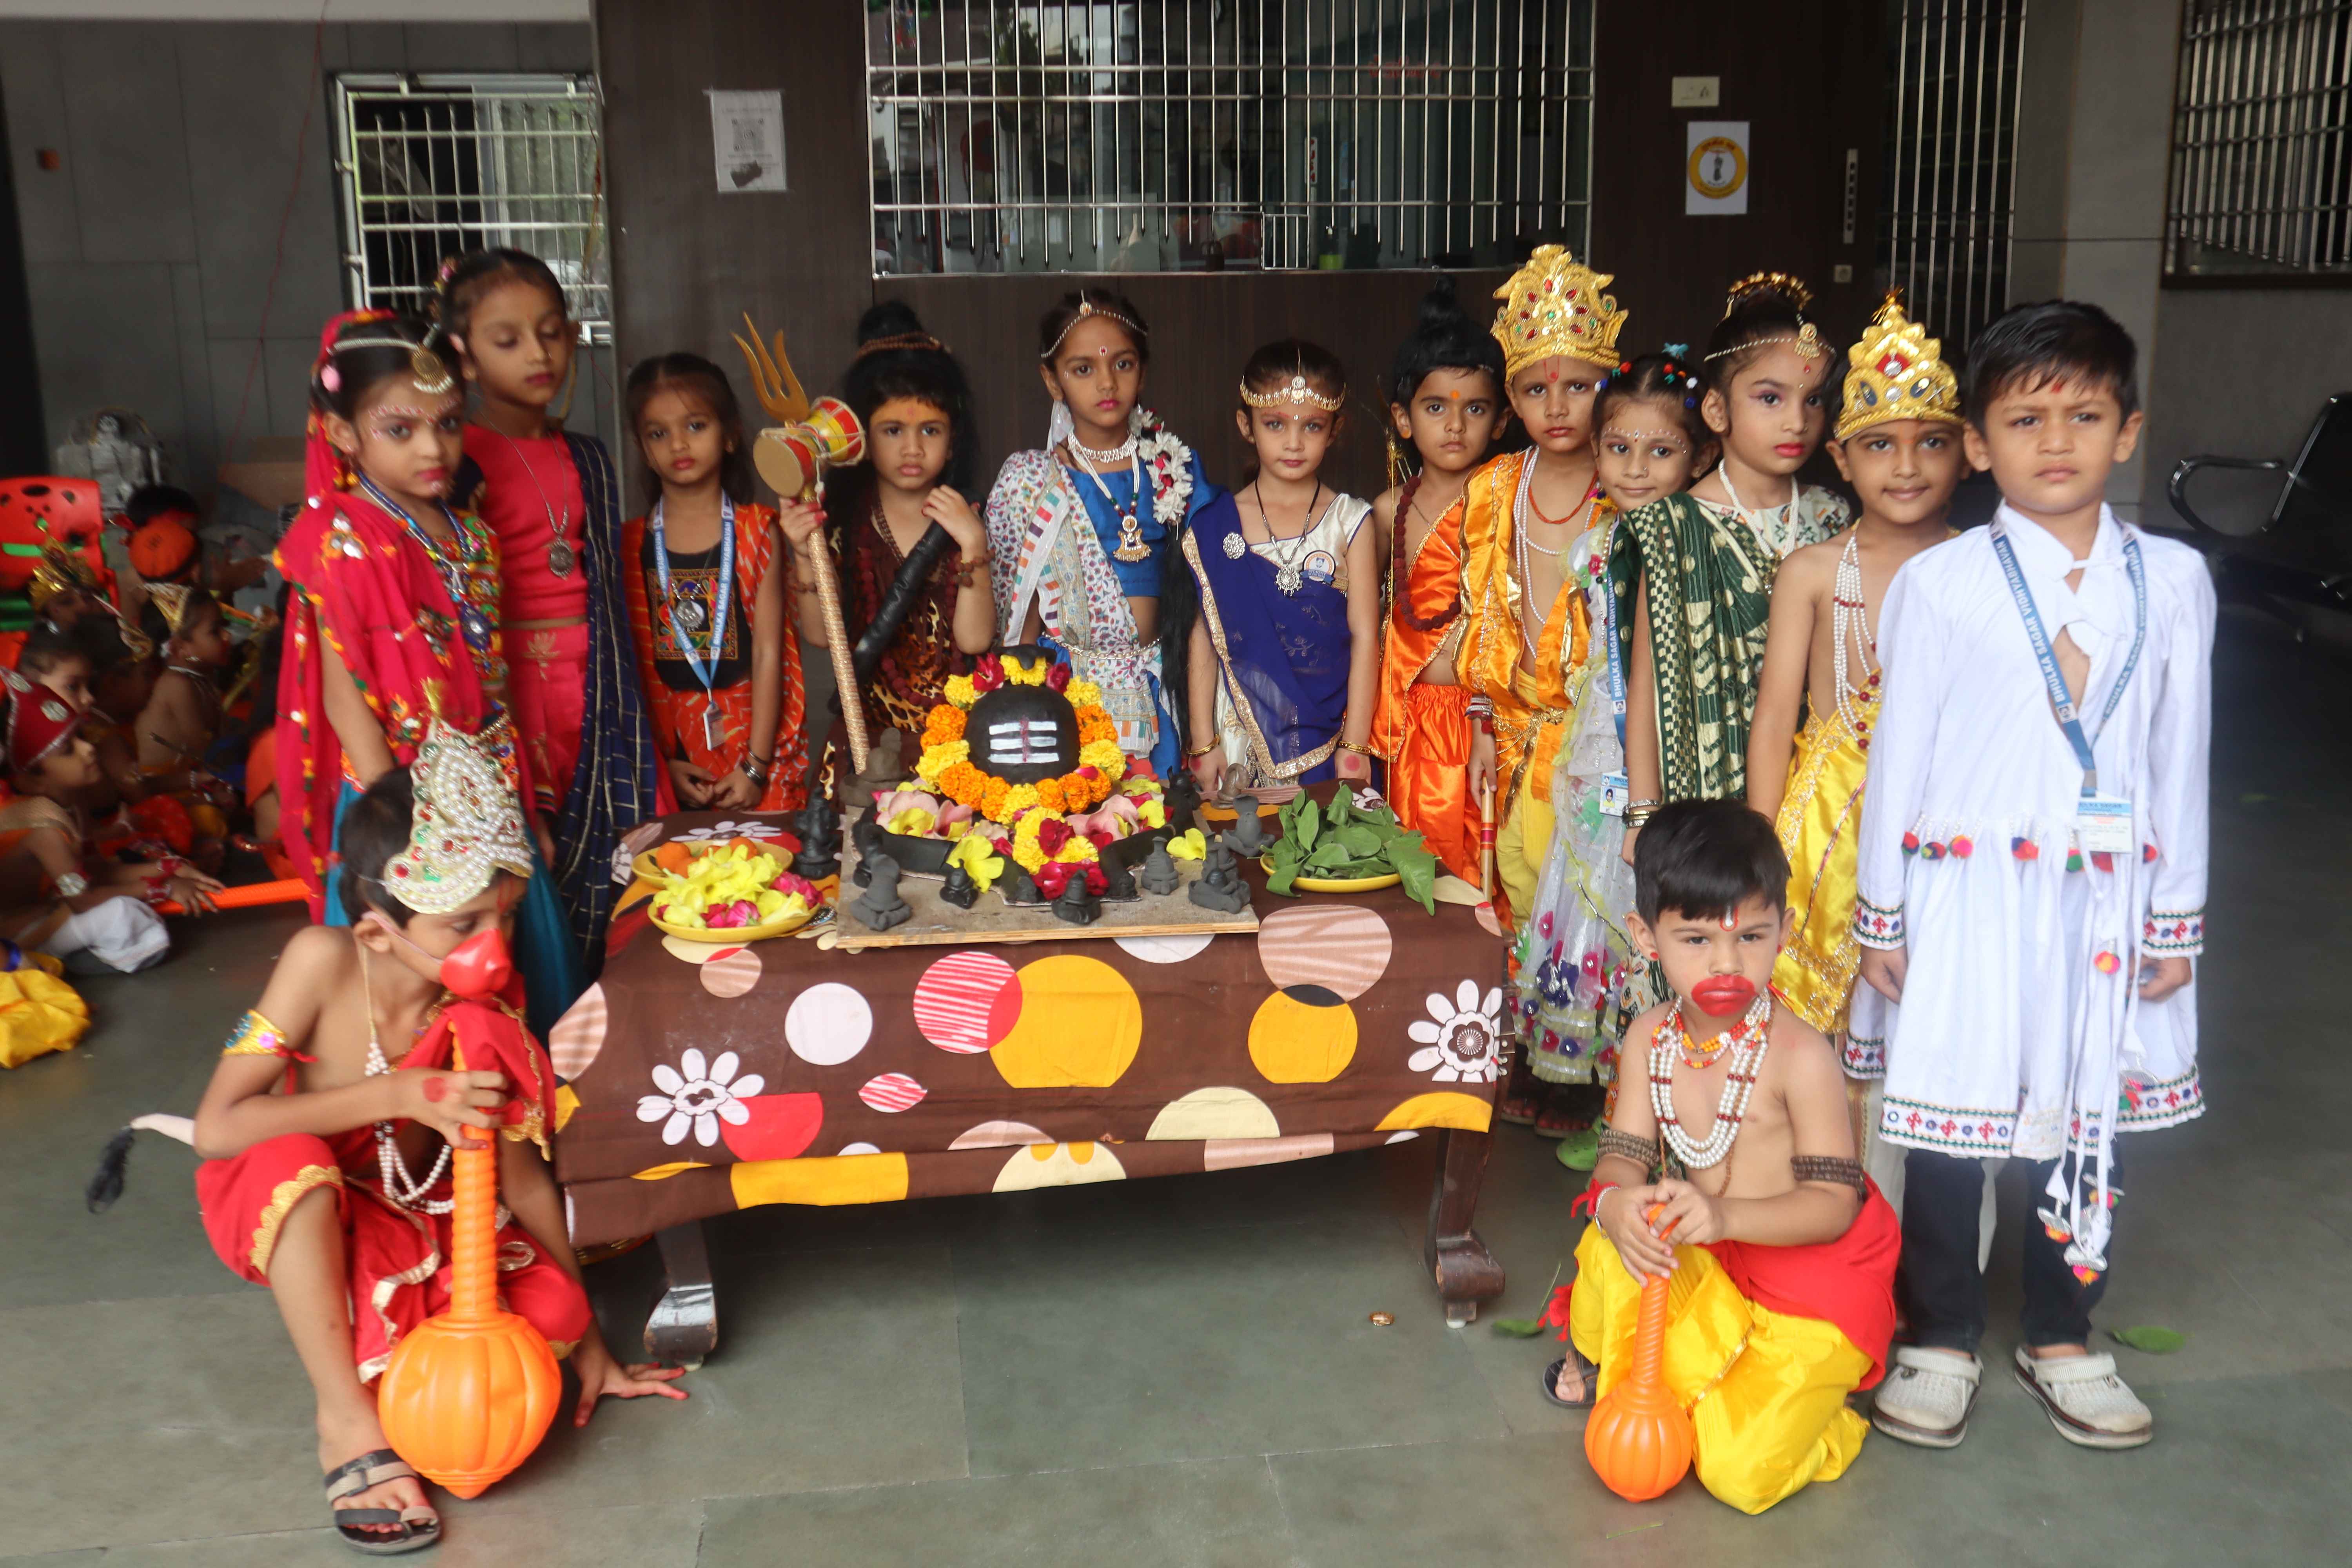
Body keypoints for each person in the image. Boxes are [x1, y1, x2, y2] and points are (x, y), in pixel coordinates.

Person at [186, 733, 685, 1551]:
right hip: (315, 1203)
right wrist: (397, 1092)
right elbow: (217, 1127)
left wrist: (594, 1348)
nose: (496, 942)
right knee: (291, 1163)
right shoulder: (319, 960)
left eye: (505, 915)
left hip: (426, 1218)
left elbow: (524, 1183)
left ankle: (393, 1360)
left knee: (549, 1317)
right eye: (464, 923)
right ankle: (345, 1421)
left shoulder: (486, 1014)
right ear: (377, 932)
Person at [1856, 301, 2210, 1453]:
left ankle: (2062, 1330)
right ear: (1977, 443)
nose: (2055, 441)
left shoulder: (2173, 580)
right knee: (1951, 1113)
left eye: (2084, 416)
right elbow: (1898, 758)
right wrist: (1881, 914)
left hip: (2104, 898)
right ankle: (1941, 1333)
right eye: (2023, 419)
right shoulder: (1943, 582)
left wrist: (2175, 919)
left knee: (2084, 1101)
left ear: (2127, 430)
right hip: (1964, 891)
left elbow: (2180, 758)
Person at [1549, 799, 1898, 1515]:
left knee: (1735, 1471)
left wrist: (1721, 1215)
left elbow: (1835, 1207)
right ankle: (1722, 1376)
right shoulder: (1650, 1037)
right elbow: (1622, 1156)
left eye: (1751, 937)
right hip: (1716, 1256)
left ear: (1785, 932)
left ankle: (1829, 1422)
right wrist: (1618, 1205)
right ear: (1646, 936)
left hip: (1810, 1286)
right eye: (1697, 939)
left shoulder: (1801, 1055)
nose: (1727, 963)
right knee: (1608, 1252)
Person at [274, 309, 583, 1041]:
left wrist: (526, 807)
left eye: (447, 423)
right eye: (399, 429)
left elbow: (492, 674)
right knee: (420, 987)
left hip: (487, 788)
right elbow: (343, 692)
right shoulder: (342, 538)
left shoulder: (472, 534)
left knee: (520, 965)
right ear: (343, 433)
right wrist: (404, 827)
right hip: (404, 807)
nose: (433, 447)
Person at [1748, 296, 1963, 1115]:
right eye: (1880, 444)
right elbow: (1776, 719)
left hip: (1942, 829)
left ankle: (1914, 1178)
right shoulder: (1812, 571)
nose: (1906, 467)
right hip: (1823, 837)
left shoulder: (1981, 569)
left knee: (1926, 1014)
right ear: (1841, 457)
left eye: (1931, 442)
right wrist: (1762, 852)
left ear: (1969, 452)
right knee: (1818, 1038)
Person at [439, 247, 668, 969]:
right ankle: (552, 1007)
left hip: (598, 685)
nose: (538, 355)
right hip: (517, 693)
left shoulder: (590, 457)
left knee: (633, 851)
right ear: (464, 355)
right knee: (537, 859)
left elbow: (608, 591)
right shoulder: (457, 462)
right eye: (508, 341)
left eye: (550, 334)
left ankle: (630, 1001)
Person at [1513, 352, 1712, 1143]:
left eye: (1661, 451)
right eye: (1620, 448)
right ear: (1596, 452)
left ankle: (1654, 1101)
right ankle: (1601, 1096)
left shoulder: (1699, 545)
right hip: (1598, 746)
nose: (1636, 468)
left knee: (1649, 909)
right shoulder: (1594, 547)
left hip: (1667, 750)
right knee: (1591, 897)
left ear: (1700, 455)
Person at [1614, 274, 1852, 858]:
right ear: (1717, 409)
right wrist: (1643, 813)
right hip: (1701, 791)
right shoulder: (1672, 524)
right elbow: (1647, 684)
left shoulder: (1834, 516)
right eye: (1770, 399)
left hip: (1821, 786)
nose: (1796, 421)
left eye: (1813, 400)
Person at [1458, 246, 1628, 925]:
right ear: (1512, 399)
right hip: (1510, 736)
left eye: (1579, 388)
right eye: (1535, 391)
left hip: (1597, 743)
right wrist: (1481, 725)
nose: (1557, 407)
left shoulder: (1628, 491)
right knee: (1519, 895)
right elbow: (1482, 617)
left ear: (1610, 388)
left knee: (1590, 909)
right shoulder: (1494, 487)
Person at [986, 289, 1217, 780]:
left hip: (1159, 689)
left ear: (1143, 372)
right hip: (1066, 692)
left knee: (1162, 819)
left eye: (1123, 364)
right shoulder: (1034, 480)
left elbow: (1202, 606)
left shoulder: (1175, 470)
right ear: (1053, 381)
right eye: (1083, 369)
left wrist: (1205, 735)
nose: (1107, 382)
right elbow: (1019, 617)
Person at [780, 303, 995, 782]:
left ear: (953, 441)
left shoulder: (967, 520)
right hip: (865, 744)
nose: (912, 449)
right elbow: (821, 637)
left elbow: (975, 641)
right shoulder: (843, 525)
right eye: (893, 431)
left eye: (930, 431)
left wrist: (973, 544)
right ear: (862, 439)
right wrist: (803, 553)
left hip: (958, 748)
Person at [1180, 339, 1378, 792]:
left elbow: (1366, 636)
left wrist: (1356, 745)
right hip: (1235, 736)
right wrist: (1203, 742)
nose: (1294, 442)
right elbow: (1204, 638)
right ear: (1245, 425)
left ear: (1335, 430)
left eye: (1312, 426)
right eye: (1275, 424)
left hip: (1327, 738)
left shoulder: (1350, 521)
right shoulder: (1214, 526)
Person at [619, 352, 805, 813]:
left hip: (754, 746)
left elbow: (768, 653)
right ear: (643, 448)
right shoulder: (629, 543)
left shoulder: (757, 530)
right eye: (658, 434)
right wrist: (661, 766)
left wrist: (755, 767)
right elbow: (630, 665)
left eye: (695, 426)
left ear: (730, 434)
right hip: (668, 754)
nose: (678, 444)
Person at [1367, 280, 1507, 882]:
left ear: (1500, 420)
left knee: (1479, 866)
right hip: (1410, 721)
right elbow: (1367, 619)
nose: (1455, 425)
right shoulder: (1387, 511)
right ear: (1403, 419)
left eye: (1474, 409)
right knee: (1413, 867)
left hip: (1483, 719)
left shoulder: (1505, 502)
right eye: (1435, 408)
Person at [0, 666, 214, 974]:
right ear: (32, 781)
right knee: (122, 913)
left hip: (55, 907)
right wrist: (163, 888)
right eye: (68, 749)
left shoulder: (71, 802)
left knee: (133, 899)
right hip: (20, 934)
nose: (88, 748)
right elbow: (84, 900)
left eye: (81, 737)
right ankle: (64, 962)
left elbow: (93, 871)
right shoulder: (41, 823)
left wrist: (168, 868)